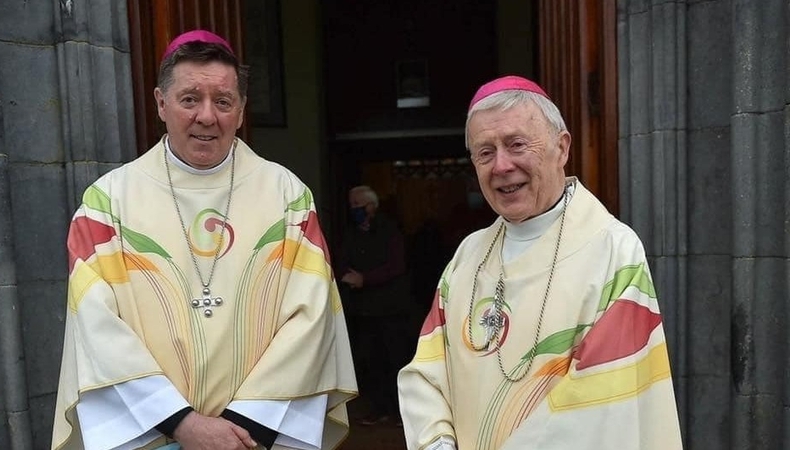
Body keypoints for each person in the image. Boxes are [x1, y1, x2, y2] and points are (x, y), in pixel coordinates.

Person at [51, 30, 357, 450]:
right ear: (161, 103)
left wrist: (242, 429)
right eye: (190, 99)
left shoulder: (288, 197)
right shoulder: (106, 205)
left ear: (242, 109)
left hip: (256, 440)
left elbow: (312, 317)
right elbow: (97, 327)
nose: (207, 116)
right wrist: (182, 424)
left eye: (224, 101)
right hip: (154, 437)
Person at [397, 75, 683, 450]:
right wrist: (436, 444)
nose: (501, 166)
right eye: (485, 152)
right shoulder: (469, 254)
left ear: (561, 148)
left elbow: (607, 400)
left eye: (516, 145)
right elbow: (428, 370)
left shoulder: (613, 250)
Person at [337, 186, 410, 427]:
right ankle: (378, 410)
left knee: (396, 361)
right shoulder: (350, 233)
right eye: (352, 204)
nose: (355, 208)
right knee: (370, 361)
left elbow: (396, 265)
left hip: (390, 309)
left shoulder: (390, 230)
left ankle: (402, 414)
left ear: (372, 206)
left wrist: (365, 279)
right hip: (363, 310)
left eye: (359, 204)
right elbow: (341, 261)